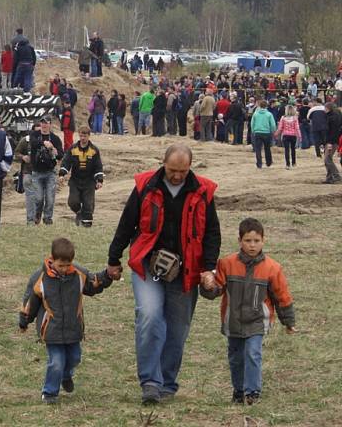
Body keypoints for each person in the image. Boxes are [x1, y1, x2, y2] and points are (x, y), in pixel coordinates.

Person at [106, 143, 220, 404]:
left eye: (183, 170)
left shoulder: (204, 191)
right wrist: (114, 258)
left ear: (190, 167)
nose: (177, 176)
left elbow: (212, 232)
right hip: (148, 266)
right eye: (172, 170)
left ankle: (167, 383)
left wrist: (209, 268)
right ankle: (150, 382)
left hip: (187, 269)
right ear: (163, 163)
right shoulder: (145, 185)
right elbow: (127, 223)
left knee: (178, 329)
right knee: (149, 316)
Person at [200, 218, 296, 405]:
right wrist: (207, 285)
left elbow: (281, 295)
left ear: (263, 241)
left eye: (256, 241)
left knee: (253, 353)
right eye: (247, 241)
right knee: (236, 358)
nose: (252, 245)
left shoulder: (272, 268)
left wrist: (289, 321)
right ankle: (238, 391)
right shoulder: (226, 264)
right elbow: (216, 290)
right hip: (233, 320)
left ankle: (253, 393)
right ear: (239, 241)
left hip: (257, 321)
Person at [19, 237, 113, 404]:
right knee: (56, 361)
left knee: (75, 357)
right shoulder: (40, 278)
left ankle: (66, 375)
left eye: (67, 265)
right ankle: (49, 393)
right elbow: (30, 302)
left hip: (73, 327)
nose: (64, 269)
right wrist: (24, 320)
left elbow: (94, 284)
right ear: (52, 259)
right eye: (60, 265)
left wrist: (107, 276)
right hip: (52, 329)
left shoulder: (78, 274)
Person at [59, 126, 104, 227]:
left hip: (89, 181)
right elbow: (66, 162)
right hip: (75, 180)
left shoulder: (94, 150)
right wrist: (62, 174)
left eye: (85, 136)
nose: (83, 138)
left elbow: (98, 166)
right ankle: (79, 213)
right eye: (81, 136)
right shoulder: (73, 149)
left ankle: (87, 225)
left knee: (88, 203)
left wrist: (99, 180)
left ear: (89, 136)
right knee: (72, 202)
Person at [28, 116, 64, 225]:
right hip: (37, 171)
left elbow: (61, 155)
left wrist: (54, 150)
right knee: (38, 198)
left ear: (50, 124)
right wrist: (44, 143)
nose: (44, 125)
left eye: (46, 123)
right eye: (42, 122)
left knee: (50, 198)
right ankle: (38, 214)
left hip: (50, 172)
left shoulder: (55, 138)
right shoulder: (34, 135)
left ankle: (48, 218)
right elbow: (33, 143)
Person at [14, 121, 41, 226]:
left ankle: (37, 214)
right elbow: (16, 153)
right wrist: (23, 157)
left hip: (42, 173)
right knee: (30, 196)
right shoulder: (25, 141)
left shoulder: (48, 140)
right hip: (28, 172)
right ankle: (30, 220)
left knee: (39, 197)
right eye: (36, 131)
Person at [251, 100, 277, 169]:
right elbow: (273, 125)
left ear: (259, 106)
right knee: (267, 148)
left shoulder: (255, 114)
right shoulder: (269, 114)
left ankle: (259, 164)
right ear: (266, 106)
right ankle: (268, 162)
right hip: (267, 133)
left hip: (257, 132)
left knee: (258, 149)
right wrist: (273, 131)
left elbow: (252, 123)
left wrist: (253, 131)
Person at [274, 105, 300, 169]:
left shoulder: (283, 118)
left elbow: (280, 128)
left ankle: (287, 164)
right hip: (293, 135)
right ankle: (294, 163)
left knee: (286, 150)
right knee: (293, 149)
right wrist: (299, 136)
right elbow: (297, 128)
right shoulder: (295, 118)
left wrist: (276, 134)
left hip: (285, 135)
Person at [323, 102, 342, 184]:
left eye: (324, 108)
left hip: (332, 141)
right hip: (333, 140)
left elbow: (332, 131)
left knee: (327, 159)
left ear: (328, 108)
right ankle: (329, 178)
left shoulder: (332, 117)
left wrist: (330, 142)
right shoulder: (335, 115)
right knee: (328, 159)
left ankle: (336, 175)